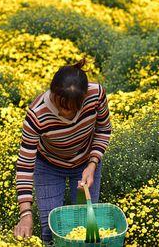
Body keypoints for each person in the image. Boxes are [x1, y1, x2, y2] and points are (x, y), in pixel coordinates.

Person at [13, 58, 112, 243]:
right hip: (49, 167)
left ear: (83, 99)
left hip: (86, 162)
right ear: (53, 93)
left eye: (73, 109)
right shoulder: (37, 115)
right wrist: (25, 214)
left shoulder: (96, 95)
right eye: (62, 106)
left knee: (84, 225)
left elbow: (104, 130)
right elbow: (25, 165)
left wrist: (92, 164)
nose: (67, 114)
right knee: (50, 229)